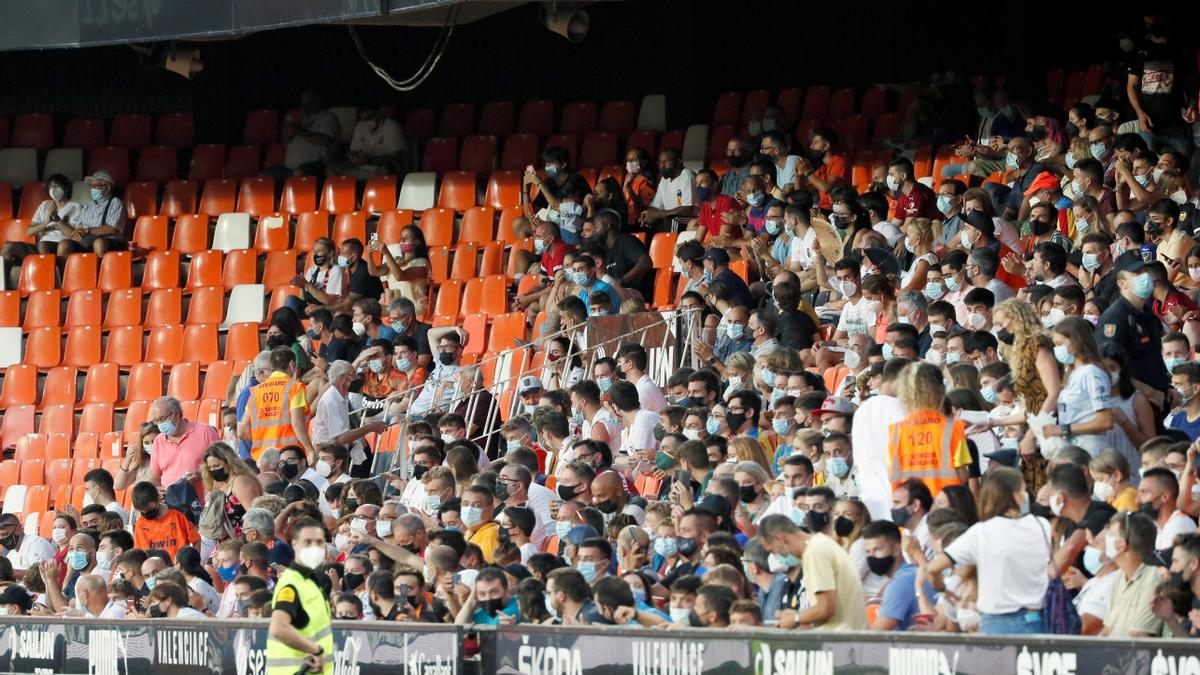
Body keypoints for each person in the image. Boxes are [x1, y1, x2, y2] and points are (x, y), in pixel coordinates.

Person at [924, 467, 1050, 634]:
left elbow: (932, 569)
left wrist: (942, 589)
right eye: (1022, 490)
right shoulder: (1042, 525)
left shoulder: (981, 532)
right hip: (1035, 620)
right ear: (1014, 495)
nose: (1025, 495)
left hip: (995, 623)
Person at [757, 514, 868, 630]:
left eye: (772, 551)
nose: (775, 556)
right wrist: (798, 616)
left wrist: (796, 619)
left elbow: (826, 608)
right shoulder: (821, 543)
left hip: (840, 636)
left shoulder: (815, 552)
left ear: (779, 539)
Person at [886, 362, 971, 493]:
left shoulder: (896, 431)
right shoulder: (953, 428)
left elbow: (891, 474)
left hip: (911, 503)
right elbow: (962, 476)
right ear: (940, 390)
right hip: (946, 501)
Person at [267, 517, 333, 674]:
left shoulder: (312, 582)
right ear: (295, 544)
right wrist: (315, 650)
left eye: (319, 542)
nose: (314, 548)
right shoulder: (292, 583)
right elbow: (278, 628)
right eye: (307, 542)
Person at [1046, 317, 1114, 455]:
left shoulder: (1092, 373)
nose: (1057, 349)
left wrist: (1063, 429)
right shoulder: (1073, 374)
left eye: (1059, 344)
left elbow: (1105, 421)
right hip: (1073, 449)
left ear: (1075, 341)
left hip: (1090, 450)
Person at [240, 346, 315, 462]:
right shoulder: (294, 388)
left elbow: (242, 430)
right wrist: (310, 449)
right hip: (288, 457)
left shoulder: (255, 391)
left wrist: (262, 442)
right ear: (292, 364)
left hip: (262, 459)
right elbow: (296, 422)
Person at [1101, 512, 1165, 637]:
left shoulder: (1154, 580)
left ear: (1121, 545)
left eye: (1111, 534)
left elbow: (1138, 636)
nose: (1105, 538)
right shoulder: (1120, 575)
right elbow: (1107, 630)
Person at [863, 521, 934, 631]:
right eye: (868, 552)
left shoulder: (900, 582)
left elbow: (876, 634)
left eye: (878, 549)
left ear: (896, 550)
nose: (872, 556)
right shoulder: (910, 574)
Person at [1, 173, 80, 267]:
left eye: (57, 186)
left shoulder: (75, 207)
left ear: (66, 188)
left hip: (61, 245)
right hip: (41, 246)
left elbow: (73, 235)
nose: (54, 189)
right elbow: (29, 232)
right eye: (51, 186)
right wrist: (46, 222)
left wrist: (56, 218)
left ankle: (50, 273)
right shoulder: (44, 205)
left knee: (44, 245)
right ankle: (3, 276)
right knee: (8, 246)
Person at [147, 396, 220, 487]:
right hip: (169, 495)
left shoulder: (205, 432)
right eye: (156, 420)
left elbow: (222, 464)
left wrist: (201, 474)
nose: (160, 423)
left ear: (177, 414)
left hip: (203, 494)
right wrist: (155, 489)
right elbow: (154, 478)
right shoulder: (158, 441)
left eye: (163, 418)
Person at [55, 170, 126, 258]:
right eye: (92, 186)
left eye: (96, 186)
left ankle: (101, 267)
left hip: (108, 240)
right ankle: (65, 267)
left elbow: (112, 229)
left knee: (99, 243)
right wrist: (76, 232)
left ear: (107, 188)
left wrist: (88, 231)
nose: (93, 189)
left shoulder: (115, 203)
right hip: (87, 240)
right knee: (64, 244)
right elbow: (79, 226)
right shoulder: (88, 206)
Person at [131, 481, 199, 560]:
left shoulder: (179, 515)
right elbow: (139, 554)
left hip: (178, 566)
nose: (146, 514)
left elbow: (196, 540)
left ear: (158, 498)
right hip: (154, 567)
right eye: (142, 512)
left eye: (150, 510)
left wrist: (194, 562)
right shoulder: (141, 523)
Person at [639, 148, 696, 229]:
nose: (662, 166)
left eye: (666, 162)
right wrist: (649, 213)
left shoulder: (687, 176)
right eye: (660, 162)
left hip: (691, 219)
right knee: (645, 220)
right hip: (670, 218)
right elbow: (655, 206)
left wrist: (660, 214)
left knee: (671, 221)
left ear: (679, 162)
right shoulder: (664, 180)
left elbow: (688, 209)